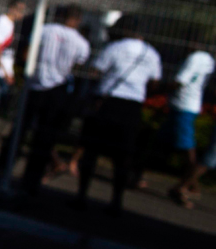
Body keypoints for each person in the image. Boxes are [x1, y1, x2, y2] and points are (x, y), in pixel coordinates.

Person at [76, 16, 162, 213]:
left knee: (92, 150)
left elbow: (96, 71)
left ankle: (82, 195)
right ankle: (116, 201)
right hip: (132, 106)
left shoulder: (115, 48)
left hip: (108, 102)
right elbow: (154, 82)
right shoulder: (152, 53)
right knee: (123, 157)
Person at [16, 5, 90, 193]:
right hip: (58, 92)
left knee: (20, 130)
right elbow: (78, 66)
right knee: (44, 137)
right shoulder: (81, 43)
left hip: (35, 86)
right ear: (77, 20)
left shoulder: (44, 30)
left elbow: (26, 55)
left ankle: (4, 169)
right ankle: (31, 180)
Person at [166, 45, 214, 208]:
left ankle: (186, 185)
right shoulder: (206, 59)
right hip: (186, 104)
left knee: (193, 150)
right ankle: (186, 185)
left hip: (184, 104)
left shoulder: (198, 58)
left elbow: (180, 81)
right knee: (206, 155)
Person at [0, 0, 25, 145]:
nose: (22, 13)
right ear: (12, 8)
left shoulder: (10, 24)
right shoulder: (3, 21)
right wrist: (5, 71)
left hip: (5, 72)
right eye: (20, 9)